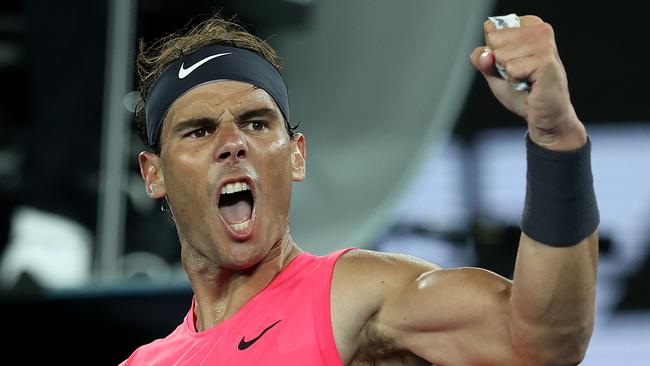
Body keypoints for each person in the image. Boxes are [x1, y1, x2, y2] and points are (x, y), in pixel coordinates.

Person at [121, 13, 599, 365]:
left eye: (256, 123)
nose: (233, 144)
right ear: (154, 174)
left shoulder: (352, 294)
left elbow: (543, 339)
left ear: (296, 156)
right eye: (200, 131)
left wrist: (556, 139)